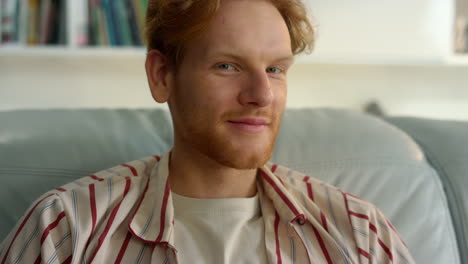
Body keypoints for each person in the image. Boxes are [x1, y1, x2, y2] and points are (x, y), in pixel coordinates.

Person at [0, 0, 415, 263]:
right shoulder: (65, 228)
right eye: (227, 66)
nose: (261, 94)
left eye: (275, 69)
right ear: (162, 75)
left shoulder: (360, 233)